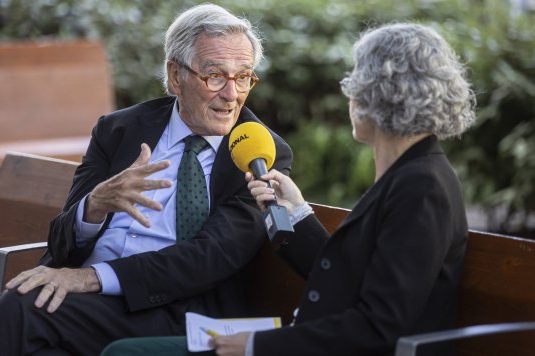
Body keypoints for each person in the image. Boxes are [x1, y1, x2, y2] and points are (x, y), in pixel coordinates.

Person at [102, 22, 476, 356]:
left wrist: (256, 345)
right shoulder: (410, 176)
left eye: (356, 82)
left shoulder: (422, 187)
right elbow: (347, 282)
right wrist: (297, 213)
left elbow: (379, 325)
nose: (350, 94)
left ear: (377, 95)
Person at [0, 3, 293, 356]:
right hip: (94, 309)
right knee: (29, 323)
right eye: (215, 76)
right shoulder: (120, 130)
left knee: (19, 310)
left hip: (182, 313)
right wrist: (93, 206)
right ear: (175, 76)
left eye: (243, 77)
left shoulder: (260, 152)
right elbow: (62, 242)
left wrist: (91, 279)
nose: (231, 94)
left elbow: (210, 258)